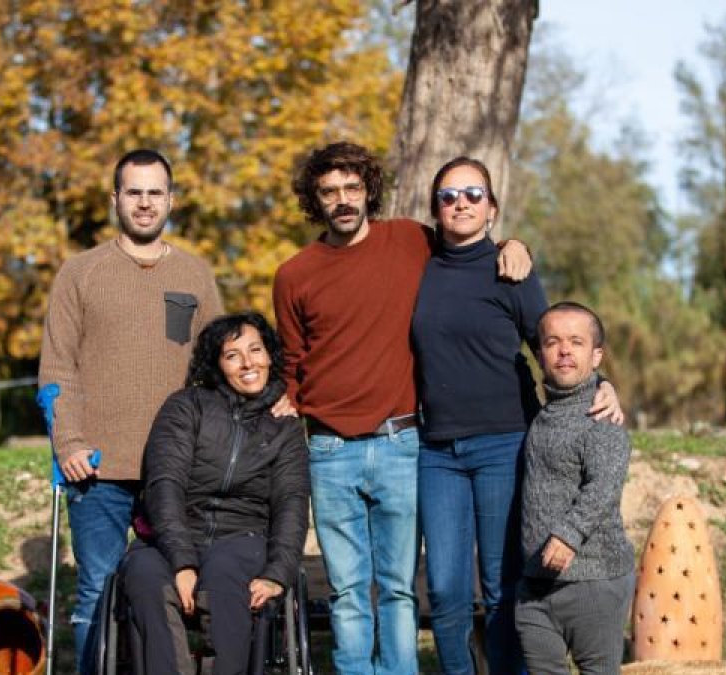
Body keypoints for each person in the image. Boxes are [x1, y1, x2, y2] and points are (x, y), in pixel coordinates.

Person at [271, 141, 533, 674]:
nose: (342, 200)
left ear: (369, 191)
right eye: (329, 192)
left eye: (351, 188)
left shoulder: (411, 241)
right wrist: (283, 404)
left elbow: (471, 243)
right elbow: (291, 361)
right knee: (347, 589)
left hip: (401, 442)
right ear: (314, 200)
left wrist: (517, 243)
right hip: (328, 448)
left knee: (397, 587)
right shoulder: (293, 274)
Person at [411, 158, 623, 675]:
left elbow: (556, 349)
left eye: (473, 193)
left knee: (502, 585)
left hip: (504, 443)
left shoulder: (513, 270)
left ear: (492, 207)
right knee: (444, 588)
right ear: (436, 208)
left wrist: (607, 385)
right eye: (448, 195)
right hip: (436, 450)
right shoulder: (418, 265)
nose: (460, 202)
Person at [38, 149, 223, 674]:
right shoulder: (80, 273)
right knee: (97, 587)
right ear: (115, 198)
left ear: (171, 200)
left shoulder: (196, 273)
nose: (145, 203)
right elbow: (57, 369)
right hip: (97, 469)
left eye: (155, 193)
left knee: (177, 590)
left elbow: (218, 368)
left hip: (179, 470)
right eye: (134, 192)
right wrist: (69, 442)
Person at [118, 312, 310, 675]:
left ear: (271, 355)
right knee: (143, 575)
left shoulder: (285, 428)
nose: (248, 362)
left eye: (256, 350)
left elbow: (292, 505)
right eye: (232, 355)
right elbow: (165, 484)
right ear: (217, 365)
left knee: (225, 573)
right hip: (172, 534)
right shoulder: (186, 406)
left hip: (243, 535)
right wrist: (183, 561)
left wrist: (277, 573)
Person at [516, 302, 636, 675]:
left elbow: (605, 485)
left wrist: (569, 535)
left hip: (594, 579)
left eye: (576, 342)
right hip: (535, 586)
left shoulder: (601, 416)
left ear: (596, 354)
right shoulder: (541, 413)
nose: (564, 350)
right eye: (552, 342)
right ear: (539, 354)